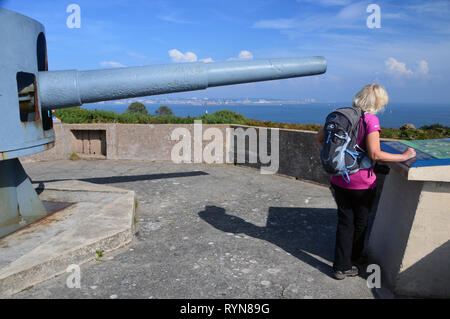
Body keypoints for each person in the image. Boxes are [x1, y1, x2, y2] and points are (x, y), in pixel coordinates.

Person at [315, 84, 416, 280]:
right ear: (379, 102)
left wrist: (337, 161)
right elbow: (375, 153)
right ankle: (352, 259)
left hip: (338, 179)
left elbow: (319, 139)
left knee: (345, 222)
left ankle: (340, 266)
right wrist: (403, 156)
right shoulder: (370, 119)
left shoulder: (342, 116)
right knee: (360, 222)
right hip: (361, 183)